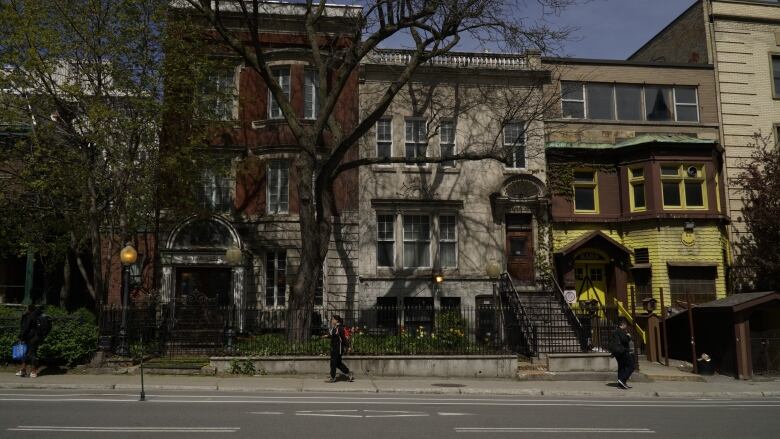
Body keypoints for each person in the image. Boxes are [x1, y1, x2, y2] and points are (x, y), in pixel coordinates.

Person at [324, 315, 353, 383]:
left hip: (338, 348)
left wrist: (348, 346)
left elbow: (343, 338)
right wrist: (327, 336)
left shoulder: (339, 328)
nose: (332, 320)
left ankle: (333, 378)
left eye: (333, 319)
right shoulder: (335, 328)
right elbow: (334, 336)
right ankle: (348, 373)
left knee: (333, 363)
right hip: (334, 348)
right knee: (338, 363)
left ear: (337, 320)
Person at [16, 305, 43, 378]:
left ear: (29, 309)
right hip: (36, 337)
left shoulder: (29, 316)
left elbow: (26, 328)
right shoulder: (38, 315)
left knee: (31, 354)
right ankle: (23, 370)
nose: (25, 309)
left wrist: (20, 337)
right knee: (27, 353)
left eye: (26, 308)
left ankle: (33, 372)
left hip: (30, 337)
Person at [609, 317, 634, 390]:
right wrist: (629, 336)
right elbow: (625, 340)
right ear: (623, 324)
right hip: (623, 351)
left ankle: (621, 384)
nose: (626, 325)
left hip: (617, 353)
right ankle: (622, 380)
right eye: (626, 324)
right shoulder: (621, 331)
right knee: (631, 366)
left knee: (622, 367)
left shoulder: (615, 331)